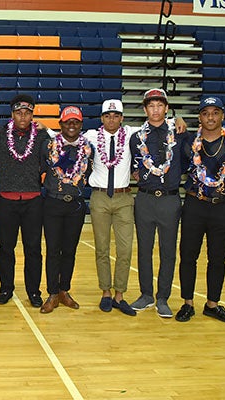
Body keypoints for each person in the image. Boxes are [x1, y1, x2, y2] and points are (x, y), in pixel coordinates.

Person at [175, 96, 225, 324]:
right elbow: (161, 127)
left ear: (222, 115)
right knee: (188, 256)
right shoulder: (188, 142)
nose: (210, 117)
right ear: (200, 116)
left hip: (223, 208)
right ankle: (187, 302)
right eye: (206, 113)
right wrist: (177, 117)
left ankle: (212, 305)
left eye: (215, 113)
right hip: (194, 206)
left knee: (217, 259)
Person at [129, 88, 188, 318]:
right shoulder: (136, 138)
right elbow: (134, 166)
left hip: (170, 199)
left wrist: (180, 120)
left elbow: (189, 160)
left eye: (159, 105)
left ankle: (163, 297)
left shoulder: (180, 132)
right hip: (144, 198)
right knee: (144, 249)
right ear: (145, 109)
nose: (155, 110)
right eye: (151, 106)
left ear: (166, 108)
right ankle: (146, 294)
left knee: (168, 251)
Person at [0, 94, 48, 308]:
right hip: (6, 199)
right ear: (12, 114)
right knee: (6, 247)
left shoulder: (41, 136)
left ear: (32, 114)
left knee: (33, 248)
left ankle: (33, 290)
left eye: (27, 113)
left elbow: (50, 158)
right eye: (19, 113)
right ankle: (6, 288)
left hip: (33, 200)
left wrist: (47, 128)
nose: (23, 117)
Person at [83, 100, 136, 316]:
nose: (111, 119)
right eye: (107, 116)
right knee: (102, 248)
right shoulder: (91, 136)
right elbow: (65, 137)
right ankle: (105, 291)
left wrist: (178, 119)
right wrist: (44, 128)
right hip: (100, 197)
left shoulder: (131, 133)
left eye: (116, 116)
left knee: (125, 249)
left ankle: (120, 294)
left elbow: (158, 123)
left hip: (124, 197)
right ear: (102, 118)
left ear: (122, 118)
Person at [39, 106, 93, 313]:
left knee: (70, 250)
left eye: (76, 122)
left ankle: (64, 290)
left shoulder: (88, 147)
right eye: (68, 121)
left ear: (81, 124)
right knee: (53, 250)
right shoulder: (48, 145)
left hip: (76, 204)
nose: (72, 125)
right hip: (53, 202)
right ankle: (52, 293)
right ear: (60, 124)